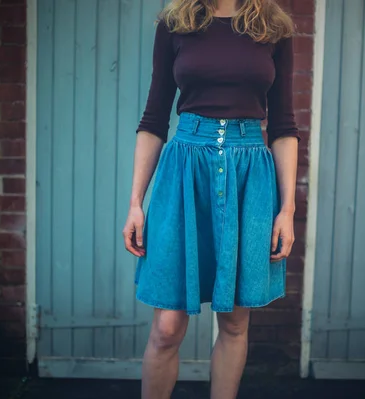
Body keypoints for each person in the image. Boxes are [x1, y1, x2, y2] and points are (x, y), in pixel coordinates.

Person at [122, 0, 299, 397]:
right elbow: (153, 118)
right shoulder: (175, 22)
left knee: (235, 322)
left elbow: (284, 125)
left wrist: (286, 209)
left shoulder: (273, 26)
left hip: (248, 177)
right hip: (185, 171)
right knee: (167, 326)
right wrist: (136, 201)